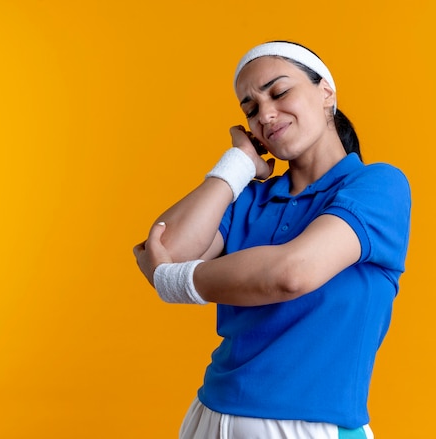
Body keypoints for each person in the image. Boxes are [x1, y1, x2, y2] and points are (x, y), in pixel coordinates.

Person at [133, 41, 411, 439]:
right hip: (210, 415)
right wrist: (238, 165)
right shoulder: (249, 197)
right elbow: (165, 249)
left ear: (326, 94)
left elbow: (292, 272)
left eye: (279, 92)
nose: (265, 113)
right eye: (250, 108)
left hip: (311, 425)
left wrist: (175, 282)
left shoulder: (377, 186)